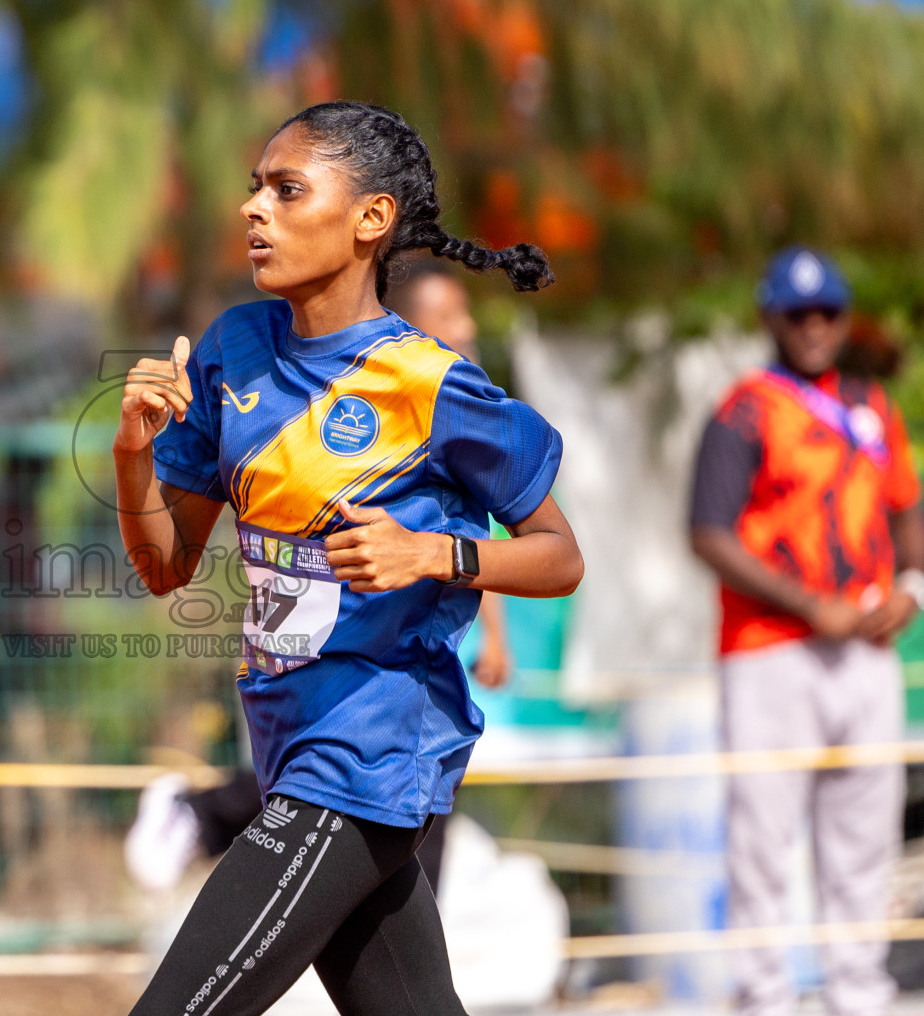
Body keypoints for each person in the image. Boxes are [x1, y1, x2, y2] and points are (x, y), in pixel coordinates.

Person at [113, 100, 583, 1015]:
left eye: (288, 191)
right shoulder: (233, 350)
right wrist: (133, 452)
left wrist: (433, 552)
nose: (256, 209)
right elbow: (165, 567)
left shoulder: (427, 382)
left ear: (371, 219)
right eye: (254, 189)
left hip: (369, 754)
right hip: (283, 741)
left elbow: (559, 557)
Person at [125, 260, 514, 896]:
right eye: (448, 316)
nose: (466, 325)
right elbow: (175, 561)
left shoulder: (451, 402)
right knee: (319, 782)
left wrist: (484, 620)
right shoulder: (301, 394)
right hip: (316, 673)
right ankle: (198, 812)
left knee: (409, 812)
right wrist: (131, 456)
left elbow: (479, 538)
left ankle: (200, 813)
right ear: (404, 326)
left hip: (408, 688)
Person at [689, 246, 923, 1016]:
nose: (815, 326)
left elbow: (906, 505)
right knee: (765, 835)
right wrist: (804, 604)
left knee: (865, 829)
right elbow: (709, 532)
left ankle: (860, 990)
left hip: (866, 647)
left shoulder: (873, 402)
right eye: (799, 312)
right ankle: (765, 996)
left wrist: (912, 589)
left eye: (827, 311)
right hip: (770, 651)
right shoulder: (745, 408)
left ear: (844, 317)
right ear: (771, 317)